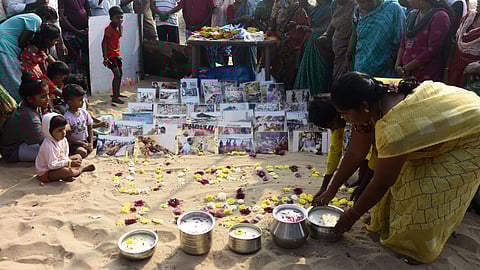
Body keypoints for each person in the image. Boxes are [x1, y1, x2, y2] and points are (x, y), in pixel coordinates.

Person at [315, 72, 480, 264]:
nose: (344, 118)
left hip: (471, 133)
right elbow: (355, 154)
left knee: (428, 192)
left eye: (345, 114)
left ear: (364, 107)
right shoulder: (372, 92)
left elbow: (382, 183)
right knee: (403, 182)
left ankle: (418, 250)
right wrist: (331, 190)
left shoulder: (393, 128)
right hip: (442, 123)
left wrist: (351, 216)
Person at [308, 96, 374, 201]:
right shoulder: (337, 121)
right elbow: (335, 151)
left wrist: (363, 185)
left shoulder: (361, 115)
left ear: (339, 113)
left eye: (332, 125)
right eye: (329, 128)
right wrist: (324, 187)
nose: (333, 129)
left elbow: (373, 153)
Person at [0, 9, 56, 102]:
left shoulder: (28, 17)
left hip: (5, 47)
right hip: (5, 47)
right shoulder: (36, 19)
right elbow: (23, 42)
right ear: (45, 18)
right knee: (14, 82)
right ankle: (21, 107)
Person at [395, 0, 453, 81]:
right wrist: (398, 65)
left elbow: (432, 50)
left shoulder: (440, 16)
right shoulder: (413, 14)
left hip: (426, 76)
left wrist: (406, 68)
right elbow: (403, 43)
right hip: (406, 74)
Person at [347, 0, 405, 77]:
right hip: (361, 66)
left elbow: (401, 38)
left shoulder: (393, 9)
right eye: (359, 2)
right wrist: (348, 56)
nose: (361, 5)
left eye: (363, 2)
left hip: (385, 68)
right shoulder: (358, 10)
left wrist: (393, 59)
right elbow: (354, 34)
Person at [0, 73, 49, 162]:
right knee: (50, 151)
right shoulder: (29, 116)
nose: (48, 99)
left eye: (47, 95)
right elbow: (43, 142)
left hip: (23, 144)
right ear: (30, 99)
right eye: (43, 96)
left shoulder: (31, 107)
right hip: (13, 151)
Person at [35, 113, 95, 183]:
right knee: (66, 171)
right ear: (49, 131)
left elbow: (64, 156)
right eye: (59, 131)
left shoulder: (63, 140)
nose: (63, 132)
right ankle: (81, 170)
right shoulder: (48, 145)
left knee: (78, 156)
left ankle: (67, 174)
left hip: (58, 164)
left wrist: (68, 162)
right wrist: (69, 164)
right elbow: (52, 165)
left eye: (64, 129)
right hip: (47, 172)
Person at [294, 0, 333, 95]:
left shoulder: (329, 8)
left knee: (318, 75)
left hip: (321, 46)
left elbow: (328, 28)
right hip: (312, 43)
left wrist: (310, 30)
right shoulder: (317, 8)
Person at [320, 0, 357, 81]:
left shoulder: (355, 7)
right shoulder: (337, 6)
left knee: (344, 79)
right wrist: (326, 34)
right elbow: (333, 22)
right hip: (337, 52)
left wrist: (348, 55)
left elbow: (354, 32)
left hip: (348, 52)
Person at [447, 3, 480, 89]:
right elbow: (455, 43)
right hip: (454, 68)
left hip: (473, 78)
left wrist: (473, 68)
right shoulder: (468, 17)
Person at [58, 0, 90, 79]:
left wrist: (89, 26)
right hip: (70, 34)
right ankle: (73, 82)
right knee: (73, 61)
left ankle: (83, 83)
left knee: (85, 60)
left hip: (84, 33)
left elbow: (88, 10)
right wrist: (76, 31)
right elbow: (61, 17)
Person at [62, 84, 94, 158]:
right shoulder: (67, 117)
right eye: (80, 100)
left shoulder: (84, 112)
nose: (82, 102)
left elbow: (90, 128)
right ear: (70, 102)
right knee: (83, 152)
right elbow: (68, 136)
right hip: (74, 143)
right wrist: (81, 143)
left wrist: (91, 142)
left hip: (85, 140)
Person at [102, 6, 125, 104]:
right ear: (111, 18)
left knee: (120, 74)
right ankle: (115, 97)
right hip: (110, 56)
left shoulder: (119, 27)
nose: (120, 19)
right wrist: (105, 57)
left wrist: (118, 54)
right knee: (117, 74)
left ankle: (117, 93)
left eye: (121, 17)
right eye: (117, 17)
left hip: (116, 55)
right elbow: (103, 43)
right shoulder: (109, 29)